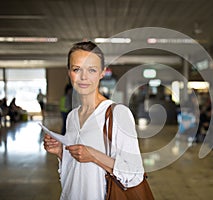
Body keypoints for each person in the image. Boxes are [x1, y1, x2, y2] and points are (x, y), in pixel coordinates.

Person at [43, 41, 145, 200]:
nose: (83, 77)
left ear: (102, 73)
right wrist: (61, 153)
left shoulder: (117, 114)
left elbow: (134, 174)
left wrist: (94, 155)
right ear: (69, 72)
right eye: (77, 69)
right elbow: (76, 170)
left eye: (91, 70)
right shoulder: (72, 117)